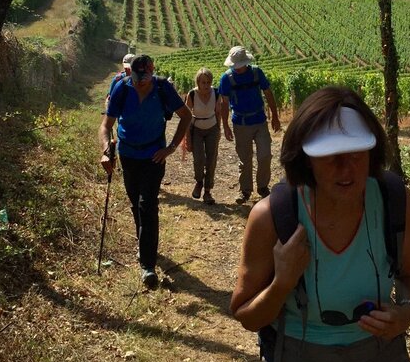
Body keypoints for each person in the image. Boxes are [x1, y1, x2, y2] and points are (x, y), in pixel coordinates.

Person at [230, 86, 410, 362]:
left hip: (381, 350)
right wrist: (282, 283)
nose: (345, 169)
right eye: (330, 156)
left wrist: (406, 312)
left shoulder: (395, 201)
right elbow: (247, 316)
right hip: (301, 355)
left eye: (356, 155)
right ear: (306, 160)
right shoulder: (272, 216)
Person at [98, 54, 192, 289]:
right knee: (135, 203)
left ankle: (147, 266)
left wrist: (170, 148)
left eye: (145, 77)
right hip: (128, 155)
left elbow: (186, 116)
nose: (140, 82)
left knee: (147, 204)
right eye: (137, 77)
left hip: (153, 156)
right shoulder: (122, 88)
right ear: (130, 73)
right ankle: (145, 244)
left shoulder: (162, 88)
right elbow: (106, 126)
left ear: (152, 72)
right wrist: (105, 150)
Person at [218, 46, 281, 204]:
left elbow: (268, 93)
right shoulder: (226, 78)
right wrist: (225, 125)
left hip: (259, 120)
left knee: (265, 155)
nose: (237, 69)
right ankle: (245, 191)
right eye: (235, 66)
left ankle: (262, 187)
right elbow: (223, 103)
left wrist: (275, 116)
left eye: (240, 65)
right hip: (240, 123)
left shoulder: (256, 72)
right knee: (245, 159)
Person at [184, 67, 222, 205]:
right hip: (197, 129)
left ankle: (207, 190)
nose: (206, 85)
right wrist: (187, 137)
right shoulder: (192, 94)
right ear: (198, 83)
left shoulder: (216, 93)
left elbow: (218, 113)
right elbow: (187, 117)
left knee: (211, 160)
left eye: (208, 82)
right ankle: (199, 181)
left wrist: (219, 130)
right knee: (198, 159)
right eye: (203, 82)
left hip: (212, 128)